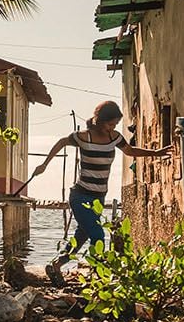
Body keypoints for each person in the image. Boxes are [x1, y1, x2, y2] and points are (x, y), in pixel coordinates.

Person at [31, 100, 173, 279]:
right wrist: (44, 164)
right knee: (98, 234)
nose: (112, 127)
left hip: (98, 198)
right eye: (110, 123)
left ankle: (56, 265)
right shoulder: (84, 137)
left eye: (115, 124)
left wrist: (155, 153)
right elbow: (61, 142)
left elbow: (129, 151)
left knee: (82, 234)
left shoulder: (115, 138)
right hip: (80, 196)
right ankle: (98, 274)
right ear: (100, 120)